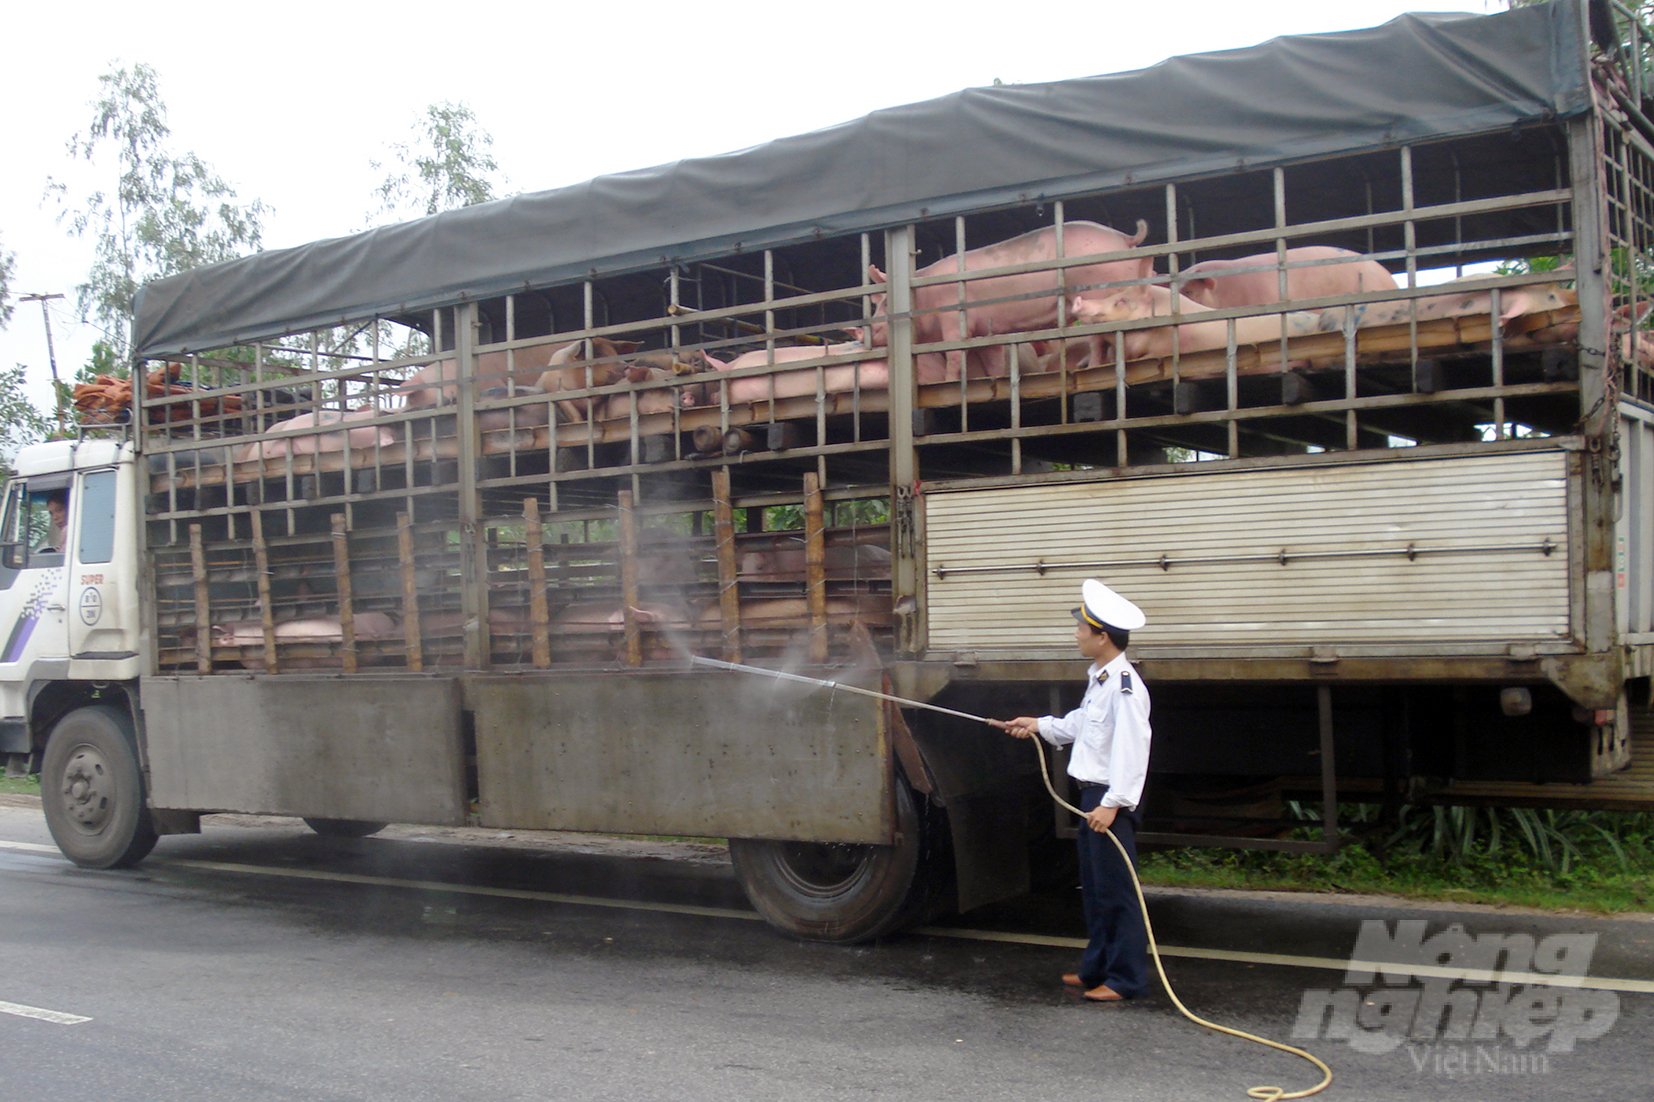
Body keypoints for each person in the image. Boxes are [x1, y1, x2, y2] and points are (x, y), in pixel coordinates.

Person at [1001, 578, 1152, 1003]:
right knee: (1097, 891)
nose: (1076, 634)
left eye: (1082, 628)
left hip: (1107, 801)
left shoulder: (1125, 687)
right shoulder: (1101, 680)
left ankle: (1125, 980)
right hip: (1093, 799)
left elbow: (1133, 750)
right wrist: (1037, 725)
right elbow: (1081, 726)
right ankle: (1096, 969)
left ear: (1102, 637)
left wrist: (1113, 804)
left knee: (1117, 894)